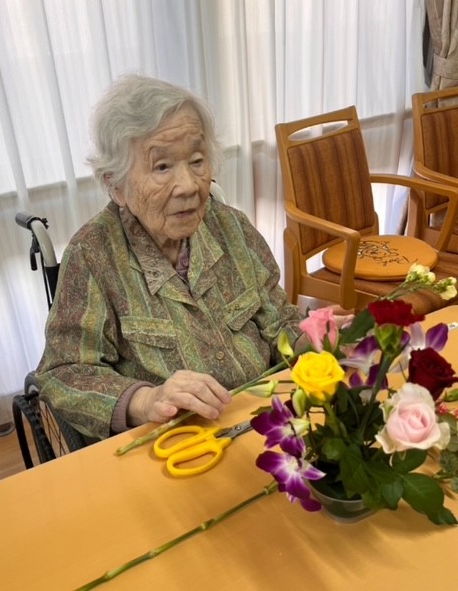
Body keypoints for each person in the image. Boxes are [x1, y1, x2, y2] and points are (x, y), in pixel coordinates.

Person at [35, 74, 345, 440]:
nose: (189, 186)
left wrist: (314, 338)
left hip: (265, 420)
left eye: (197, 160)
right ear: (115, 185)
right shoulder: (93, 256)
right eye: (162, 167)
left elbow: (280, 324)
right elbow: (63, 373)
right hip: (176, 442)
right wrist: (146, 400)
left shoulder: (232, 228)